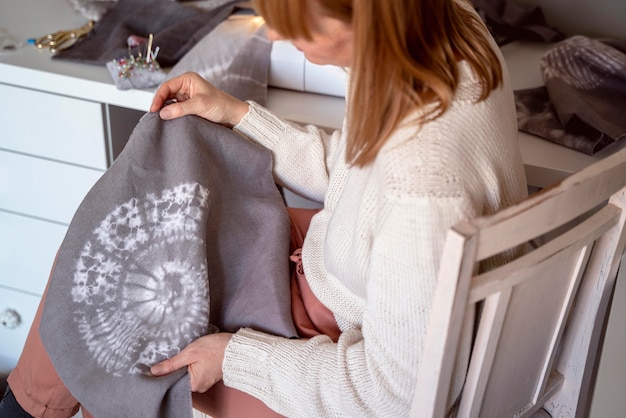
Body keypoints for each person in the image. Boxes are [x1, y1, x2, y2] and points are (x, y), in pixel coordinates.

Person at [0, 0, 528, 416]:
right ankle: (27, 406)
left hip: (336, 347)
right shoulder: (442, 28)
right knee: (122, 223)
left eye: (295, 21)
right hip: (343, 272)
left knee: (120, 323)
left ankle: (28, 407)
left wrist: (235, 356)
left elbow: (392, 396)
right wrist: (235, 113)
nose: (274, 35)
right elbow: (354, 170)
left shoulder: (424, 186)